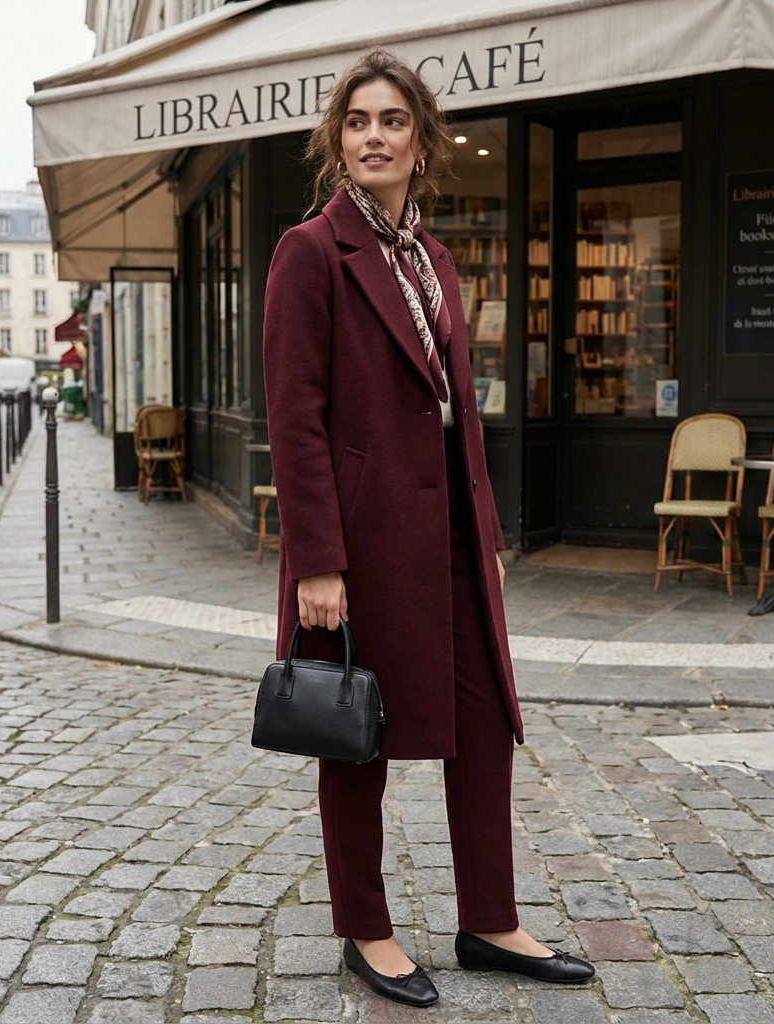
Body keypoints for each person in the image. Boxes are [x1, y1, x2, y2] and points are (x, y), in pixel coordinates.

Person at [262, 48, 594, 1008]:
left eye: (392, 121)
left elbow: (454, 406)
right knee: (353, 728)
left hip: (449, 534)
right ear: (338, 139)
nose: (374, 136)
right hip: (359, 546)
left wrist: (485, 529)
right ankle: (366, 927)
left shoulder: (433, 257)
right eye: (358, 121)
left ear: (421, 140)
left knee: (486, 725)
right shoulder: (311, 251)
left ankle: (490, 919)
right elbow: (295, 416)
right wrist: (316, 560)